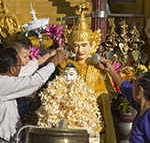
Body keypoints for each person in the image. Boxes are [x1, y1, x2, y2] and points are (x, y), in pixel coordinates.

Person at [58, 9, 117, 142]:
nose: (80, 50)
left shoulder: (98, 66)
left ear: (93, 45)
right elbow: (57, 90)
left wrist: (92, 97)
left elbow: (109, 91)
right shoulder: (64, 65)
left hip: (92, 118)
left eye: (84, 45)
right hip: (70, 116)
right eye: (76, 45)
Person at [0, 47, 66, 142]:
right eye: (20, 65)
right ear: (12, 69)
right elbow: (32, 82)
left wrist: (22, 118)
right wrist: (54, 63)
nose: (21, 68)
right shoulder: (3, 83)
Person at [36, 63, 102, 143]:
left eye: (71, 74)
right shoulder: (53, 91)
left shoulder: (84, 92)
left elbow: (89, 116)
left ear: (77, 76)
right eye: (65, 74)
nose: (68, 77)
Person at [99, 59, 150, 143]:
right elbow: (124, 87)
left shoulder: (148, 115)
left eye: (134, 84)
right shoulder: (141, 105)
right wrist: (110, 69)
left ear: (140, 91)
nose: (131, 86)